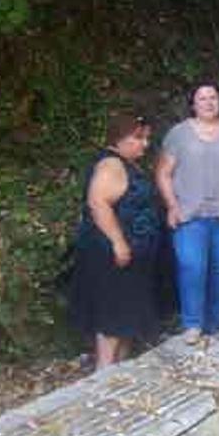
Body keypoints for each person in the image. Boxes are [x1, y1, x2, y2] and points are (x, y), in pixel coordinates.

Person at [155, 83, 219, 345]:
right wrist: (171, 205)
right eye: (202, 98)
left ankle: (215, 324)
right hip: (189, 214)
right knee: (192, 268)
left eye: (213, 97)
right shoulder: (178, 134)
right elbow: (163, 173)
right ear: (193, 103)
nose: (209, 102)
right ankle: (192, 324)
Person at [71, 114, 160, 368]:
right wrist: (118, 243)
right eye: (138, 138)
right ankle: (104, 379)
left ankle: (117, 377)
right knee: (113, 318)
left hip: (129, 255)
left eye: (147, 138)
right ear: (118, 139)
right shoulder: (111, 164)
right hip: (113, 255)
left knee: (125, 319)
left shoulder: (126, 163)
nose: (145, 144)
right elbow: (98, 203)